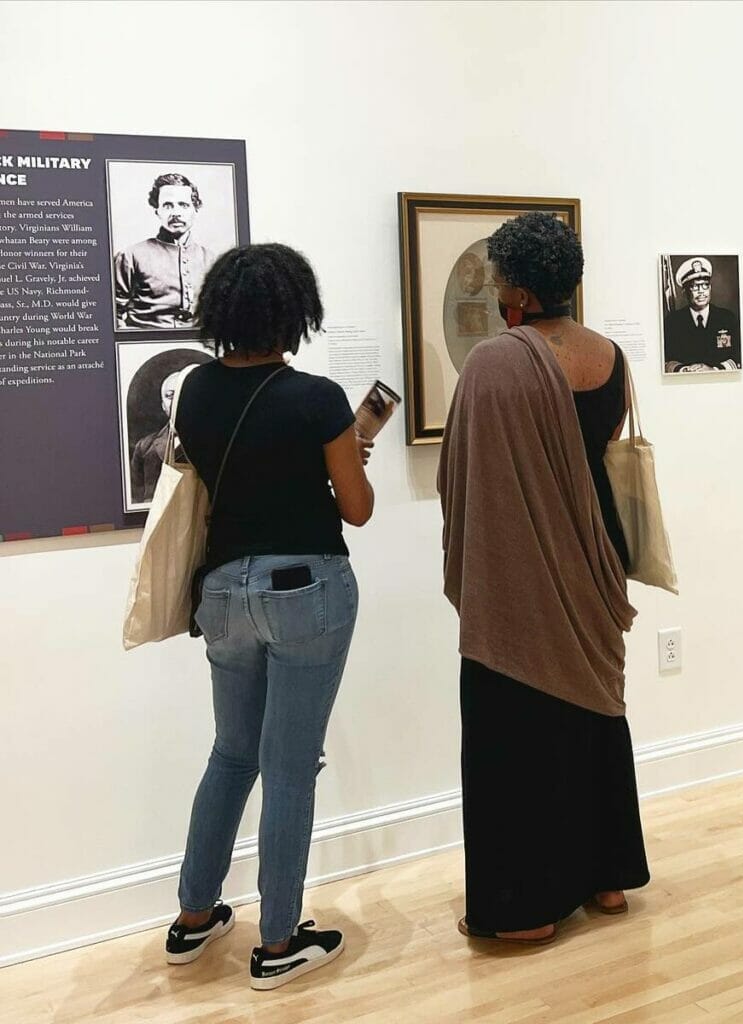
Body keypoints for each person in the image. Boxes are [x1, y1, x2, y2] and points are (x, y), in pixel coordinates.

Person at [165, 243, 375, 990]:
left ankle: (194, 916)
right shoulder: (316, 397)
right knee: (289, 769)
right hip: (304, 588)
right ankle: (279, 938)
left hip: (221, 593)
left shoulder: (192, 390)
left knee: (231, 755)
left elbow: (237, 480)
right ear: (294, 313)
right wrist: (350, 457)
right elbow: (355, 509)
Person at [439, 212, 650, 945]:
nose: (498, 295)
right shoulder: (612, 358)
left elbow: (463, 474)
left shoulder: (497, 361)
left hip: (518, 568)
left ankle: (523, 907)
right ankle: (606, 878)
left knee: (516, 734)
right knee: (594, 713)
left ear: (519, 293)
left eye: (500, 282)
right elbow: (591, 454)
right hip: (594, 560)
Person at [113, 173, 216, 329]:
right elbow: (113, 314)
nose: (176, 213)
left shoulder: (211, 259)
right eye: (168, 205)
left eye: (184, 205)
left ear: (195, 209)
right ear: (157, 211)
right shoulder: (131, 256)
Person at [663, 256, 740, 372]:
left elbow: (738, 357)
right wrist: (683, 369)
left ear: (710, 288)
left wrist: (714, 369)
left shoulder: (727, 318)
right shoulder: (673, 322)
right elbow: (666, 360)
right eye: (694, 286)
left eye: (705, 285)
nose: (701, 291)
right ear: (685, 292)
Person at [129, 369, 180, 503]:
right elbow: (135, 498)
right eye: (170, 396)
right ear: (163, 405)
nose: (177, 400)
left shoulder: (216, 441)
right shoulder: (144, 447)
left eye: (183, 393)